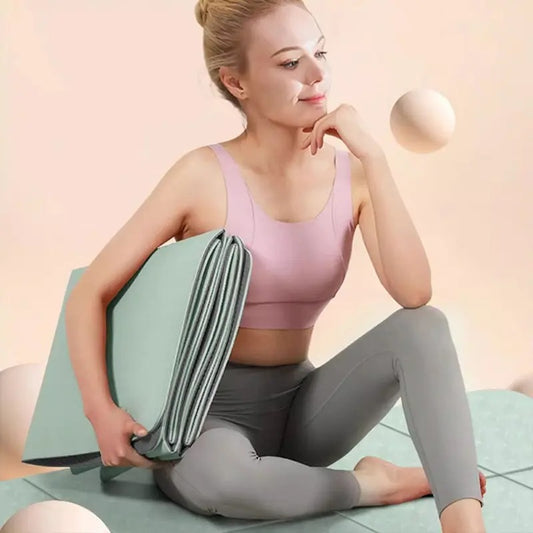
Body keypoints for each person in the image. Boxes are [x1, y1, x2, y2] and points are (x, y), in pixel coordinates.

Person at [65, 1, 486, 531]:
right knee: (224, 485)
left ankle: (466, 526)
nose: (317, 75)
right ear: (236, 83)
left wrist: (375, 160)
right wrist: (100, 412)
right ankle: (373, 484)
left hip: (306, 410)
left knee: (426, 329)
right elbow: (91, 293)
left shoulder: (352, 173)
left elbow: (414, 294)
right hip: (205, 418)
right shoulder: (201, 175)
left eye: (321, 53)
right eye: (290, 63)